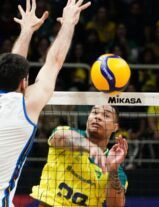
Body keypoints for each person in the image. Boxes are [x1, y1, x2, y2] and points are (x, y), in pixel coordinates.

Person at [0, 0, 91, 205]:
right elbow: (54, 62)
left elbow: (14, 66)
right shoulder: (25, 106)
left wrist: (26, 31)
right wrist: (68, 23)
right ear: (24, 83)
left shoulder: (20, 100)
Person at [31, 105, 128, 207]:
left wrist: (113, 169)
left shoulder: (117, 171)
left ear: (115, 127)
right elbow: (59, 137)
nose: (98, 117)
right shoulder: (67, 133)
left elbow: (115, 205)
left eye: (106, 115)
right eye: (94, 113)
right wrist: (91, 147)